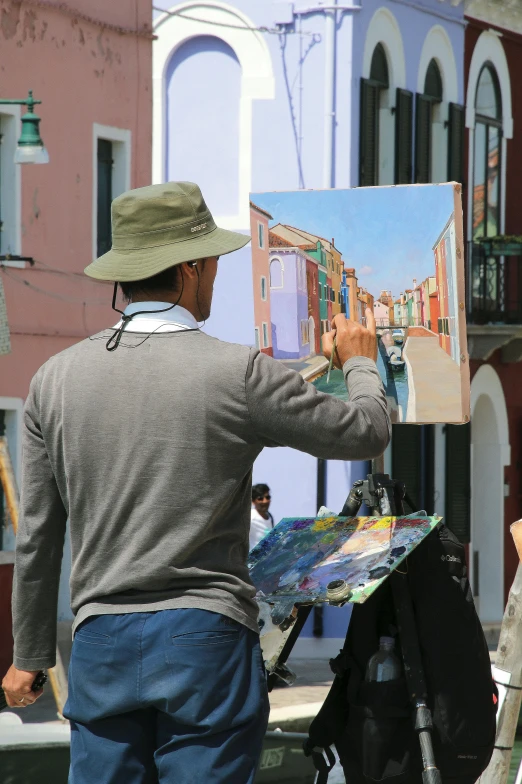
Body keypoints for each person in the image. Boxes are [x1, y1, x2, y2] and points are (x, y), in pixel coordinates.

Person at [2, 181, 390, 784]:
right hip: (203, 641)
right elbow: (366, 431)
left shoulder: (53, 381)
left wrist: (28, 655)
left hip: (100, 643)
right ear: (189, 269)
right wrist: (361, 360)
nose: (214, 278)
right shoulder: (237, 373)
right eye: (212, 264)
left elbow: (37, 538)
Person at [250, 484, 274, 550]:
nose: (265, 501)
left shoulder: (269, 516)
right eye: (260, 498)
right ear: (253, 501)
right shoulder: (250, 517)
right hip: (254, 559)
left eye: (267, 497)